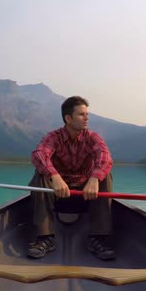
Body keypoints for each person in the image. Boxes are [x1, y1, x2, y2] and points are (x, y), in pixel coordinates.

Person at [28, 96, 116, 260]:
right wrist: (54, 175)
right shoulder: (53, 137)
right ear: (68, 118)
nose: (86, 118)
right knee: (40, 174)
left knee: (105, 175)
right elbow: (38, 154)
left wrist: (94, 179)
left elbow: (105, 157)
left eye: (87, 114)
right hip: (58, 193)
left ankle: (97, 237)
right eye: (81, 115)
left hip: (86, 194)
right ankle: (45, 237)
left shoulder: (92, 137)